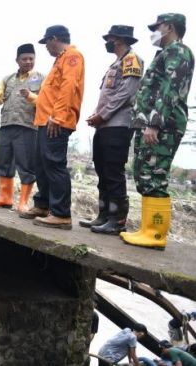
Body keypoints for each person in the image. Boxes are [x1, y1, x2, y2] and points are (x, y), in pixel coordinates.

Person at [120, 13, 195, 250]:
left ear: (170, 27)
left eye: (157, 27)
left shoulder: (178, 52)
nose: (153, 31)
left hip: (163, 124)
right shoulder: (164, 53)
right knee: (144, 173)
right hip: (151, 123)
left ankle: (155, 235)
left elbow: (169, 89)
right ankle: (147, 229)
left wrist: (154, 123)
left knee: (154, 174)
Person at [19, 25, 85, 230]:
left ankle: (61, 213)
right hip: (45, 121)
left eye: (46, 42)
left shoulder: (73, 56)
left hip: (56, 121)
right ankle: (43, 204)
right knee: (41, 165)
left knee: (54, 164)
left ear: (54, 39)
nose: (46, 48)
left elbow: (69, 86)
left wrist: (58, 116)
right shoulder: (61, 59)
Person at [80, 25, 144, 235]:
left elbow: (127, 92)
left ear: (119, 40)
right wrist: (97, 115)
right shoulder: (115, 63)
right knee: (102, 171)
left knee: (113, 172)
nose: (108, 43)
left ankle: (117, 220)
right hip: (105, 125)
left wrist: (103, 114)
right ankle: (104, 215)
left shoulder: (131, 60)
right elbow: (110, 94)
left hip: (118, 125)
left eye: (110, 39)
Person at [0, 43, 44, 213]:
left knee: (26, 164)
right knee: (4, 161)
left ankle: (23, 202)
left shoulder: (42, 78)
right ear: (17, 60)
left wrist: (30, 96)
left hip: (28, 127)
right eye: (25, 59)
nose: (28, 62)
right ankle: (4, 198)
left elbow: (45, 101)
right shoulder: (7, 79)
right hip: (7, 125)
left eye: (31, 58)